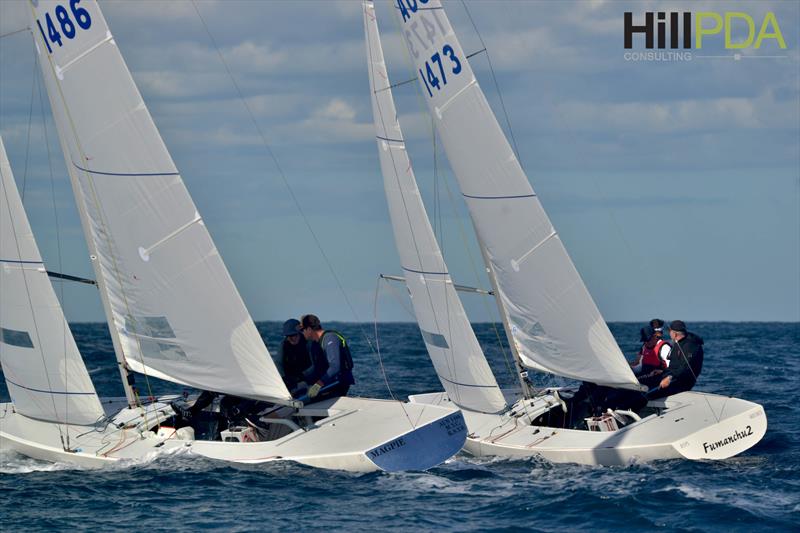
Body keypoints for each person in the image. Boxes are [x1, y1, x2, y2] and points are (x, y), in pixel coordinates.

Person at [299, 314, 354, 403]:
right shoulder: (317, 342)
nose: (302, 333)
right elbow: (317, 367)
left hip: (339, 383)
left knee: (306, 400)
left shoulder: (330, 338)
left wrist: (318, 384)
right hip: (329, 382)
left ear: (309, 329)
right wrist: (301, 378)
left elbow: (335, 367)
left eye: (302, 330)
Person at [649, 320, 704, 400]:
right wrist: (663, 371)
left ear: (674, 334)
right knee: (647, 381)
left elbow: (685, 367)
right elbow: (674, 365)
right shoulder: (678, 342)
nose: (669, 333)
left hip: (682, 382)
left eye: (669, 331)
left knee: (650, 394)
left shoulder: (690, 345)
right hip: (673, 376)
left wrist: (669, 378)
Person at [278, 318, 314, 395]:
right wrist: (284, 378)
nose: (290, 338)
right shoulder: (284, 345)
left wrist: (301, 376)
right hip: (290, 381)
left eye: (293, 335)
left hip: (306, 379)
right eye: (287, 336)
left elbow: (316, 365)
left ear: (299, 333)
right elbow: (278, 363)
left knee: (303, 385)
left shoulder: (309, 343)